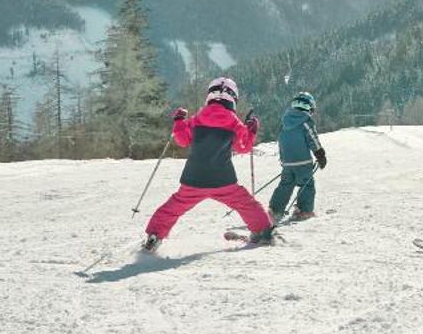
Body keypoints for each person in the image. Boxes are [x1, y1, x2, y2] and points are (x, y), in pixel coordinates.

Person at [141, 76, 275, 251]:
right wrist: (252, 130)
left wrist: (179, 121)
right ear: (233, 98)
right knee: (246, 204)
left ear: (210, 96)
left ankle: (154, 235)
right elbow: (243, 147)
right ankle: (263, 231)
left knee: (173, 207)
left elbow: (182, 140)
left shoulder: (198, 118)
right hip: (223, 180)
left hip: (194, 179)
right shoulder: (234, 122)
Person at [267, 91, 328, 222]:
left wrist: (284, 160)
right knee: (307, 185)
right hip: (303, 162)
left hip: (288, 163)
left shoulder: (284, 122)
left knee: (285, 185)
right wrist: (320, 154)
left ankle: (274, 210)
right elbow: (313, 139)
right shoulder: (306, 121)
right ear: (309, 107)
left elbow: (282, 141)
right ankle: (303, 211)